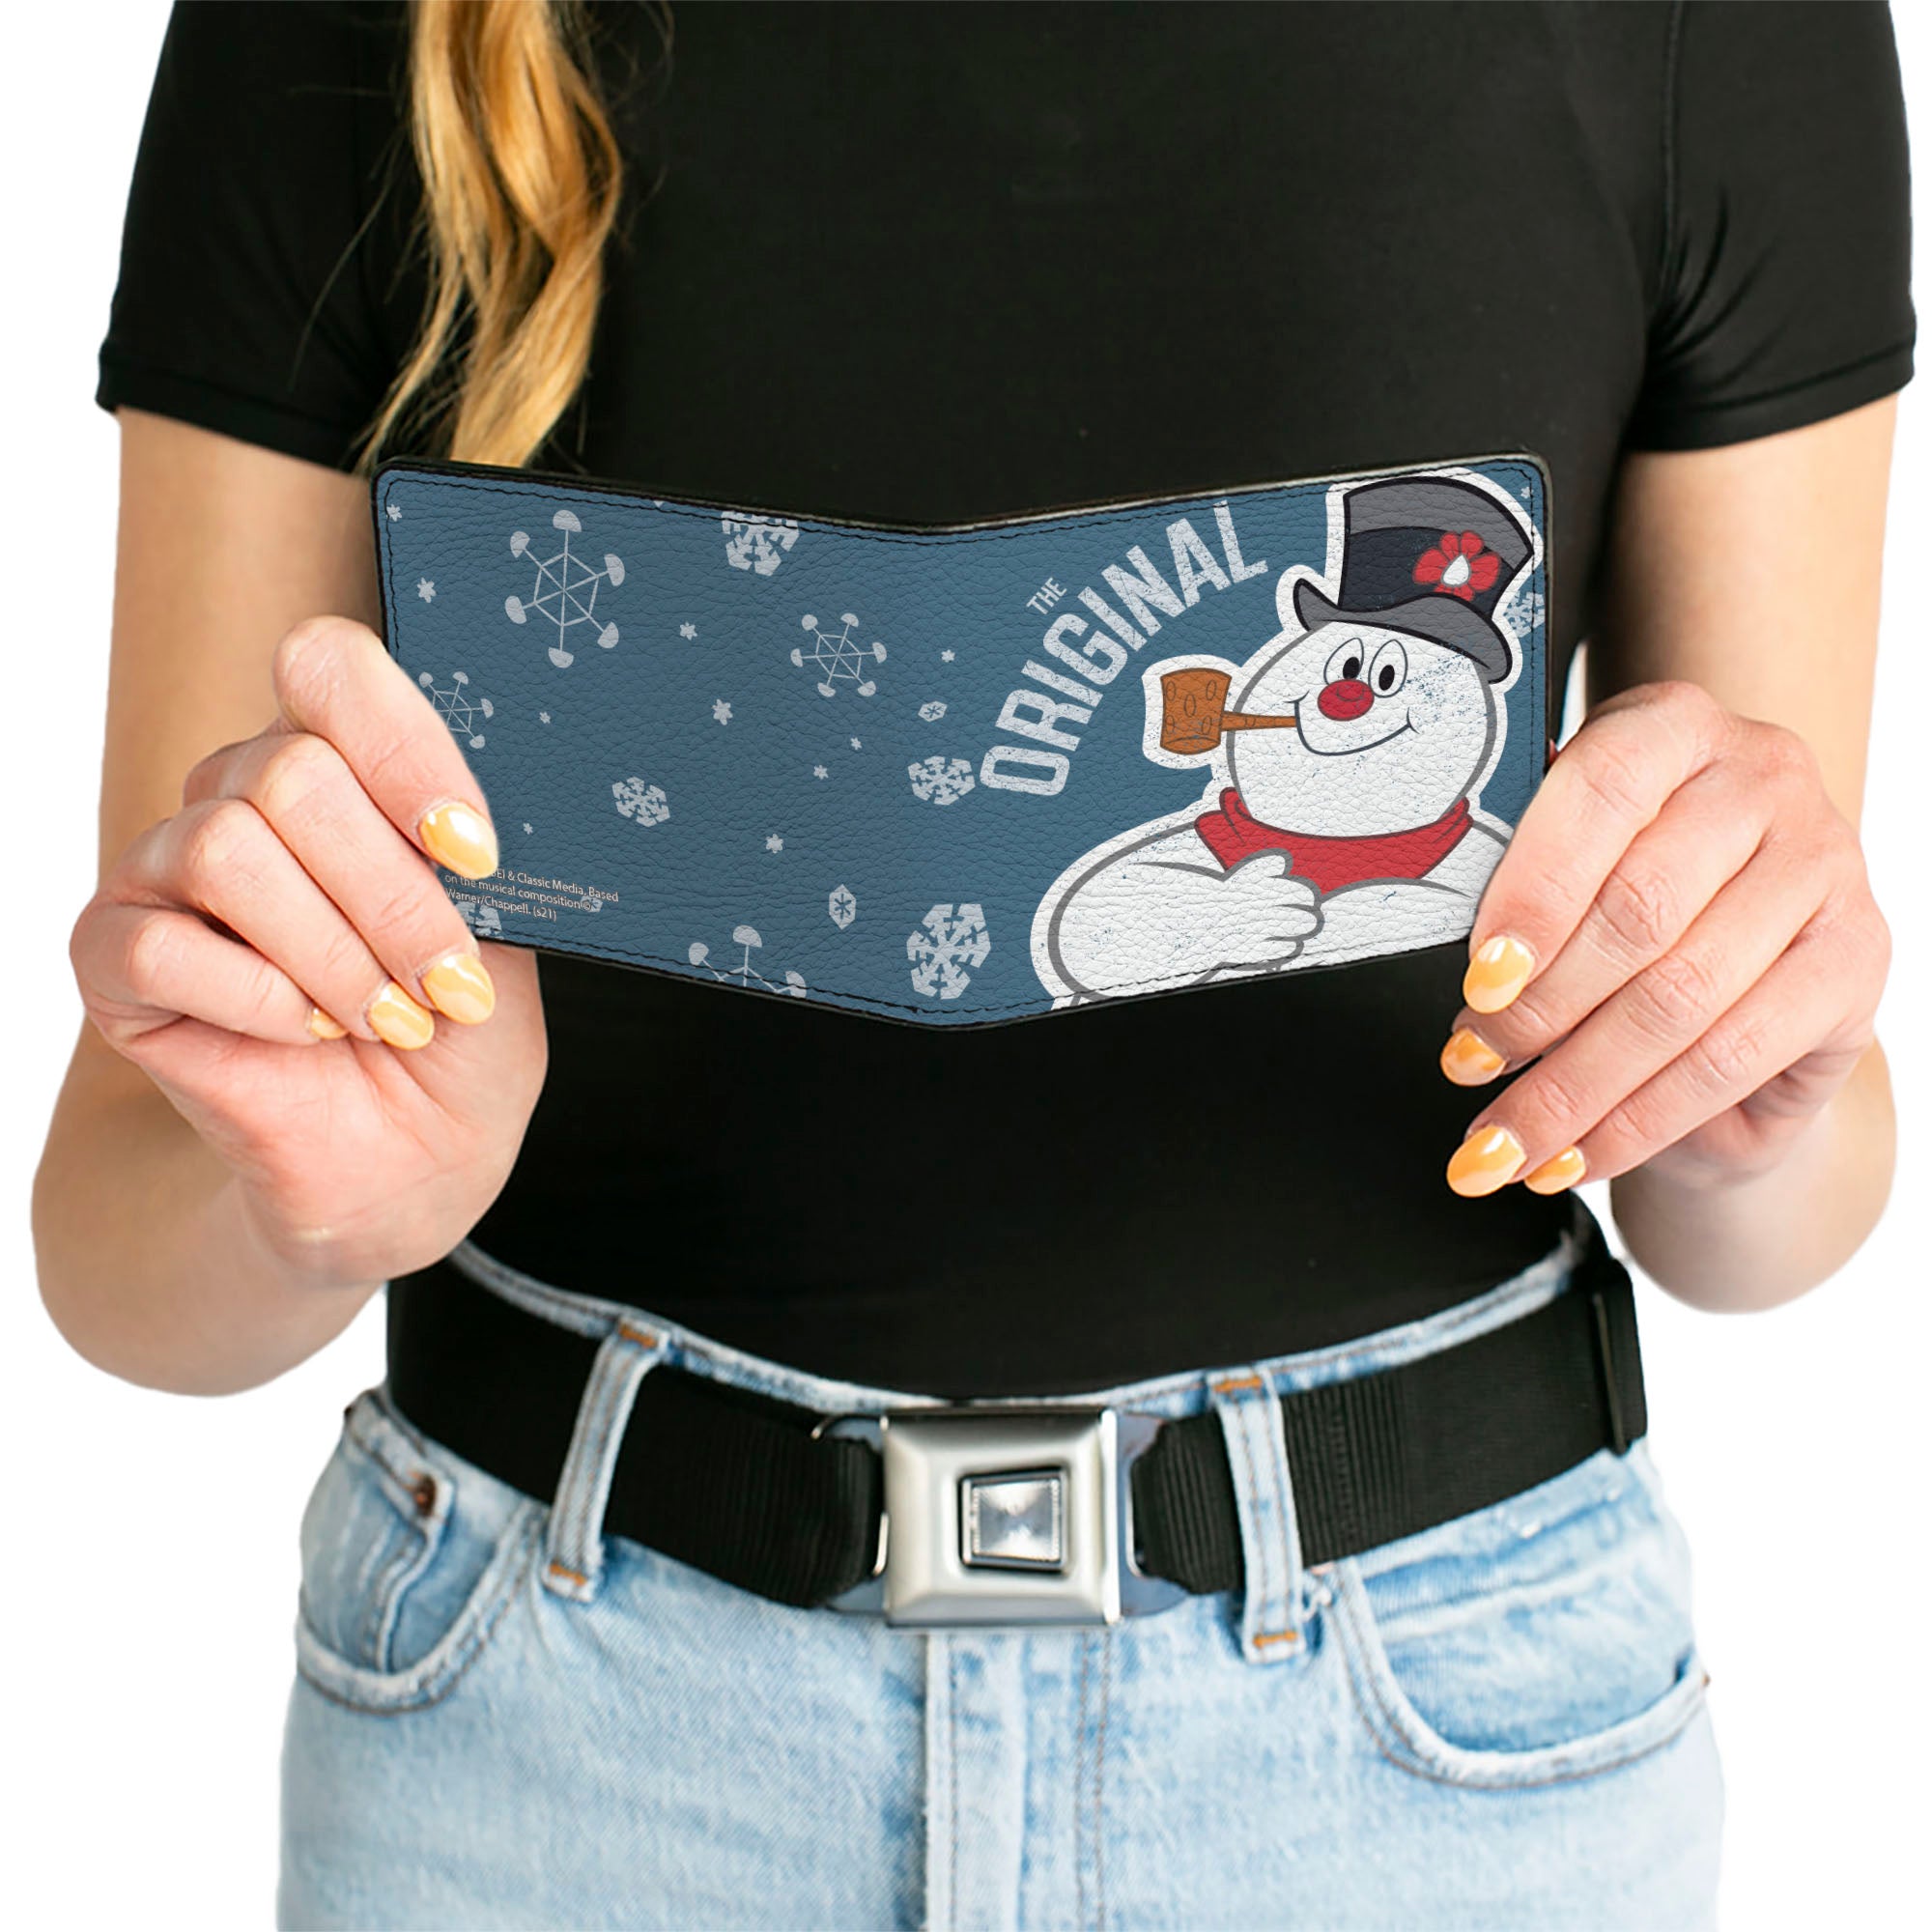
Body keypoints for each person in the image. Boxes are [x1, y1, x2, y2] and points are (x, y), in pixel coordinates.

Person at [33, 3, 1912, 1926]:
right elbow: (114, 1236)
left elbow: (1773, 1203)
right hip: (554, 1737)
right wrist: (310, 1203)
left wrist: (1741, 1095)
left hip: (1432, 1741)